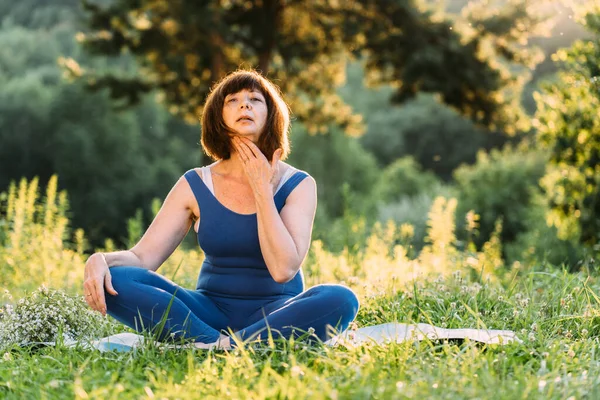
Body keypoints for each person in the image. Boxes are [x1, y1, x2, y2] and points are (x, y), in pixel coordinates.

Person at [83, 70, 360, 349]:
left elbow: (283, 269)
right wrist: (101, 260)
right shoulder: (195, 183)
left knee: (341, 298)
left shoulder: (299, 184)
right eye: (233, 100)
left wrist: (262, 189)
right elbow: (143, 259)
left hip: (276, 313)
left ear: (271, 115)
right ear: (218, 116)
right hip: (207, 312)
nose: (245, 105)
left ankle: (219, 346)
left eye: (255, 99)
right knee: (118, 279)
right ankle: (222, 344)